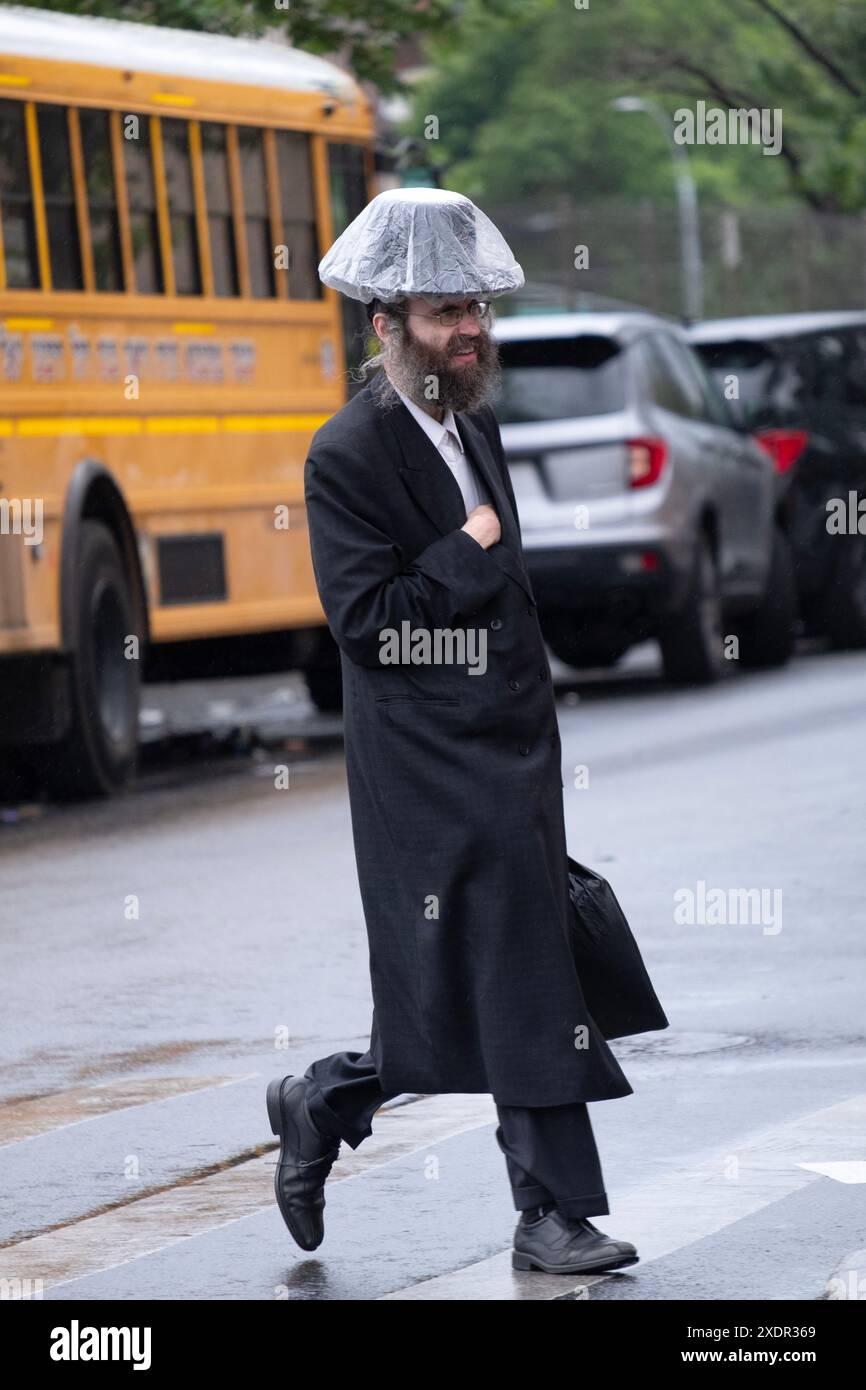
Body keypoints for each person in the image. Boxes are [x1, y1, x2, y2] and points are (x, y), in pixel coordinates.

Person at [267, 188, 640, 1276]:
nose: (470, 329)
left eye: (476, 307)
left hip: (513, 753)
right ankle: (551, 1211)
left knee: (476, 986)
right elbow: (372, 627)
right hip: (427, 771)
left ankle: (322, 1097)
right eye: (444, 312)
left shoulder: (475, 423)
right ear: (384, 324)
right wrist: (468, 547)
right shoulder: (344, 454)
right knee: (522, 978)